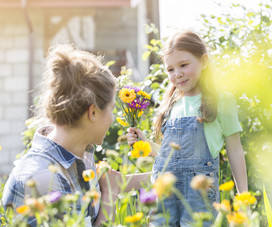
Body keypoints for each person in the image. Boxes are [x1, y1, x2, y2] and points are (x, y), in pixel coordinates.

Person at [2, 44, 150, 226]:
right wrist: (109, 199)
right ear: (93, 113)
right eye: (111, 109)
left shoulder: (79, 153)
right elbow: (108, 190)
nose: (113, 118)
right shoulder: (42, 180)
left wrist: (173, 173)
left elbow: (111, 183)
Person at [126, 30, 248, 227]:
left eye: (184, 65)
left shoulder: (221, 101)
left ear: (204, 61)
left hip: (198, 196)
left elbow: (234, 149)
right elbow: (170, 158)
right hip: (164, 193)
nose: (177, 74)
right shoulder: (171, 105)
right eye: (170, 69)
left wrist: (243, 197)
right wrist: (145, 144)